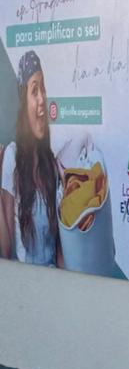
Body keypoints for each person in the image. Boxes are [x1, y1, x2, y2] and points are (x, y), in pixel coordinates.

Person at [0, 51, 61, 266]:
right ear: (24, 103)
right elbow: (6, 250)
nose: (42, 99)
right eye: (34, 90)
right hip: (26, 280)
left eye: (43, 88)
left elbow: (60, 252)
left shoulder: (51, 165)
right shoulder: (12, 157)